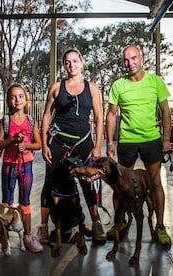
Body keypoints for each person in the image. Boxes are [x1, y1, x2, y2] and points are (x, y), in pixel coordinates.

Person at [37, 48, 106, 243]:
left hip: (83, 142)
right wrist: (44, 144)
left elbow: (100, 117)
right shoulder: (56, 88)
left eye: (75, 61)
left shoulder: (91, 88)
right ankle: (42, 226)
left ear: (81, 63)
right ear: (64, 65)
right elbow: (46, 116)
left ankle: (96, 222)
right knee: (50, 182)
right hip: (58, 142)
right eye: (68, 62)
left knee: (88, 182)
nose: (71, 65)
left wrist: (98, 145)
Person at [105, 45, 172, 245]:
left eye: (133, 58)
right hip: (127, 142)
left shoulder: (156, 82)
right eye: (126, 59)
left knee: (155, 184)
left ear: (141, 58)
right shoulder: (118, 85)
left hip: (151, 140)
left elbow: (166, 113)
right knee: (121, 186)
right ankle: (121, 222)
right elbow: (111, 114)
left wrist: (166, 139)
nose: (130, 62)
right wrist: (110, 142)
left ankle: (160, 226)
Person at [0, 84, 44, 253]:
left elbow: (39, 144)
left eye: (20, 96)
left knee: (25, 201)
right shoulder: (5, 121)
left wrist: (26, 144)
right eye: (13, 97)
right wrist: (12, 139)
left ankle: (27, 236)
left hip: (26, 166)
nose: (17, 99)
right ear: (8, 101)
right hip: (9, 166)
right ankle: (3, 239)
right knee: (6, 203)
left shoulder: (31, 121)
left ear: (26, 99)